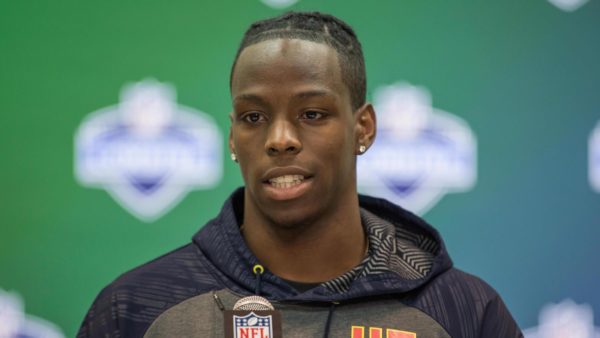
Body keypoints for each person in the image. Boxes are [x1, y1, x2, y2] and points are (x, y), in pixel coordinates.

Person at [78, 11, 523, 338]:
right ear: (232, 137)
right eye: (253, 117)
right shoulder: (135, 310)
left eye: (311, 113)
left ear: (362, 128)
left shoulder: (464, 312)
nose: (280, 138)